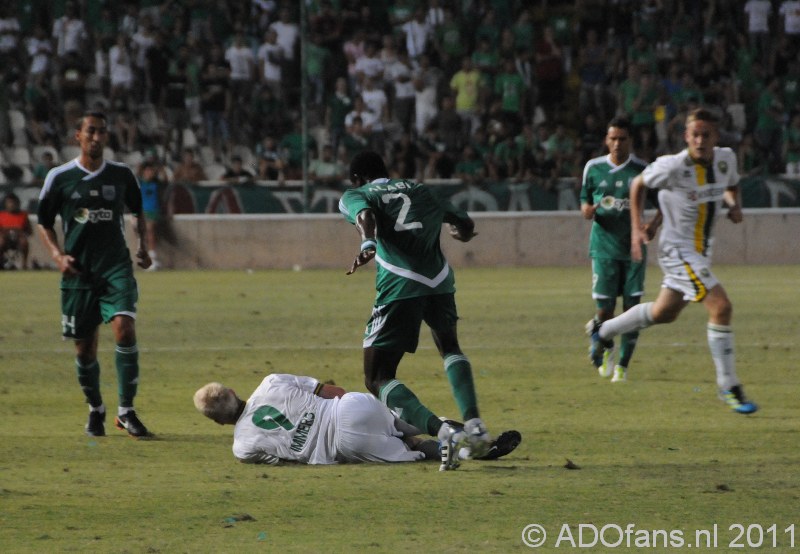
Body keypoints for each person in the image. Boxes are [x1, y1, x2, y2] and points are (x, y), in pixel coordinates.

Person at [338, 151, 521, 469]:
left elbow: (364, 214)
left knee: (378, 376)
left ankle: (444, 431)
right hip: (439, 280)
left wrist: (368, 244)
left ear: (356, 178)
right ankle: (475, 425)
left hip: (400, 282)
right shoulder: (421, 189)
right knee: (449, 346)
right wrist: (459, 233)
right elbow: (464, 222)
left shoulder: (358, 193)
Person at [587, 108, 758, 414]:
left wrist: (733, 205)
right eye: (695, 134)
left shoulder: (725, 159)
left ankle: (602, 331)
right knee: (721, 306)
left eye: (707, 134)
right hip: (678, 251)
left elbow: (732, 186)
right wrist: (638, 229)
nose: (701, 140)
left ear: (716, 137)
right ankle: (728, 385)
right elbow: (638, 184)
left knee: (663, 312)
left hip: (701, 252)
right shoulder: (673, 166)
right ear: (686, 137)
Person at [36, 111, 154, 437]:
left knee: (124, 328)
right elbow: (43, 222)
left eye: (103, 132)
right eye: (92, 132)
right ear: (78, 135)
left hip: (115, 266)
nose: (98, 138)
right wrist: (58, 255)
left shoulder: (121, 175)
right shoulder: (59, 178)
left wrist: (142, 246)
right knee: (85, 350)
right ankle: (96, 408)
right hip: (78, 272)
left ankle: (126, 411)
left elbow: (138, 212)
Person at [194, 373, 439, 466]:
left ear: (218, 422)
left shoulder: (242, 449)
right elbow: (336, 392)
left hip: (343, 445)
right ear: (233, 392)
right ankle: (462, 433)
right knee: (420, 423)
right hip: (350, 407)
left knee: (413, 450)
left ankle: (444, 449)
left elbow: (288, 462)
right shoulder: (271, 382)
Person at [580, 117, 661, 382]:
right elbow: (584, 205)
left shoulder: (642, 170)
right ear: (606, 140)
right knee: (605, 310)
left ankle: (623, 368)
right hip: (603, 248)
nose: (616, 144)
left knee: (632, 307)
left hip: (634, 249)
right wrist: (589, 210)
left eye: (622, 139)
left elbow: (664, 202)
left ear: (630, 141)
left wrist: (653, 226)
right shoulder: (593, 168)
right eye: (612, 138)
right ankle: (606, 346)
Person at [0, 192, 33, 269]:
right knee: (0, 241)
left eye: (13, 202)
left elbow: (29, 231)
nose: (11, 205)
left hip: (18, 239)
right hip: (5, 239)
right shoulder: (1, 215)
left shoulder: (23, 215)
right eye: (9, 202)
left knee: (24, 241)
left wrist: (22, 233)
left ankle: (24, 264)